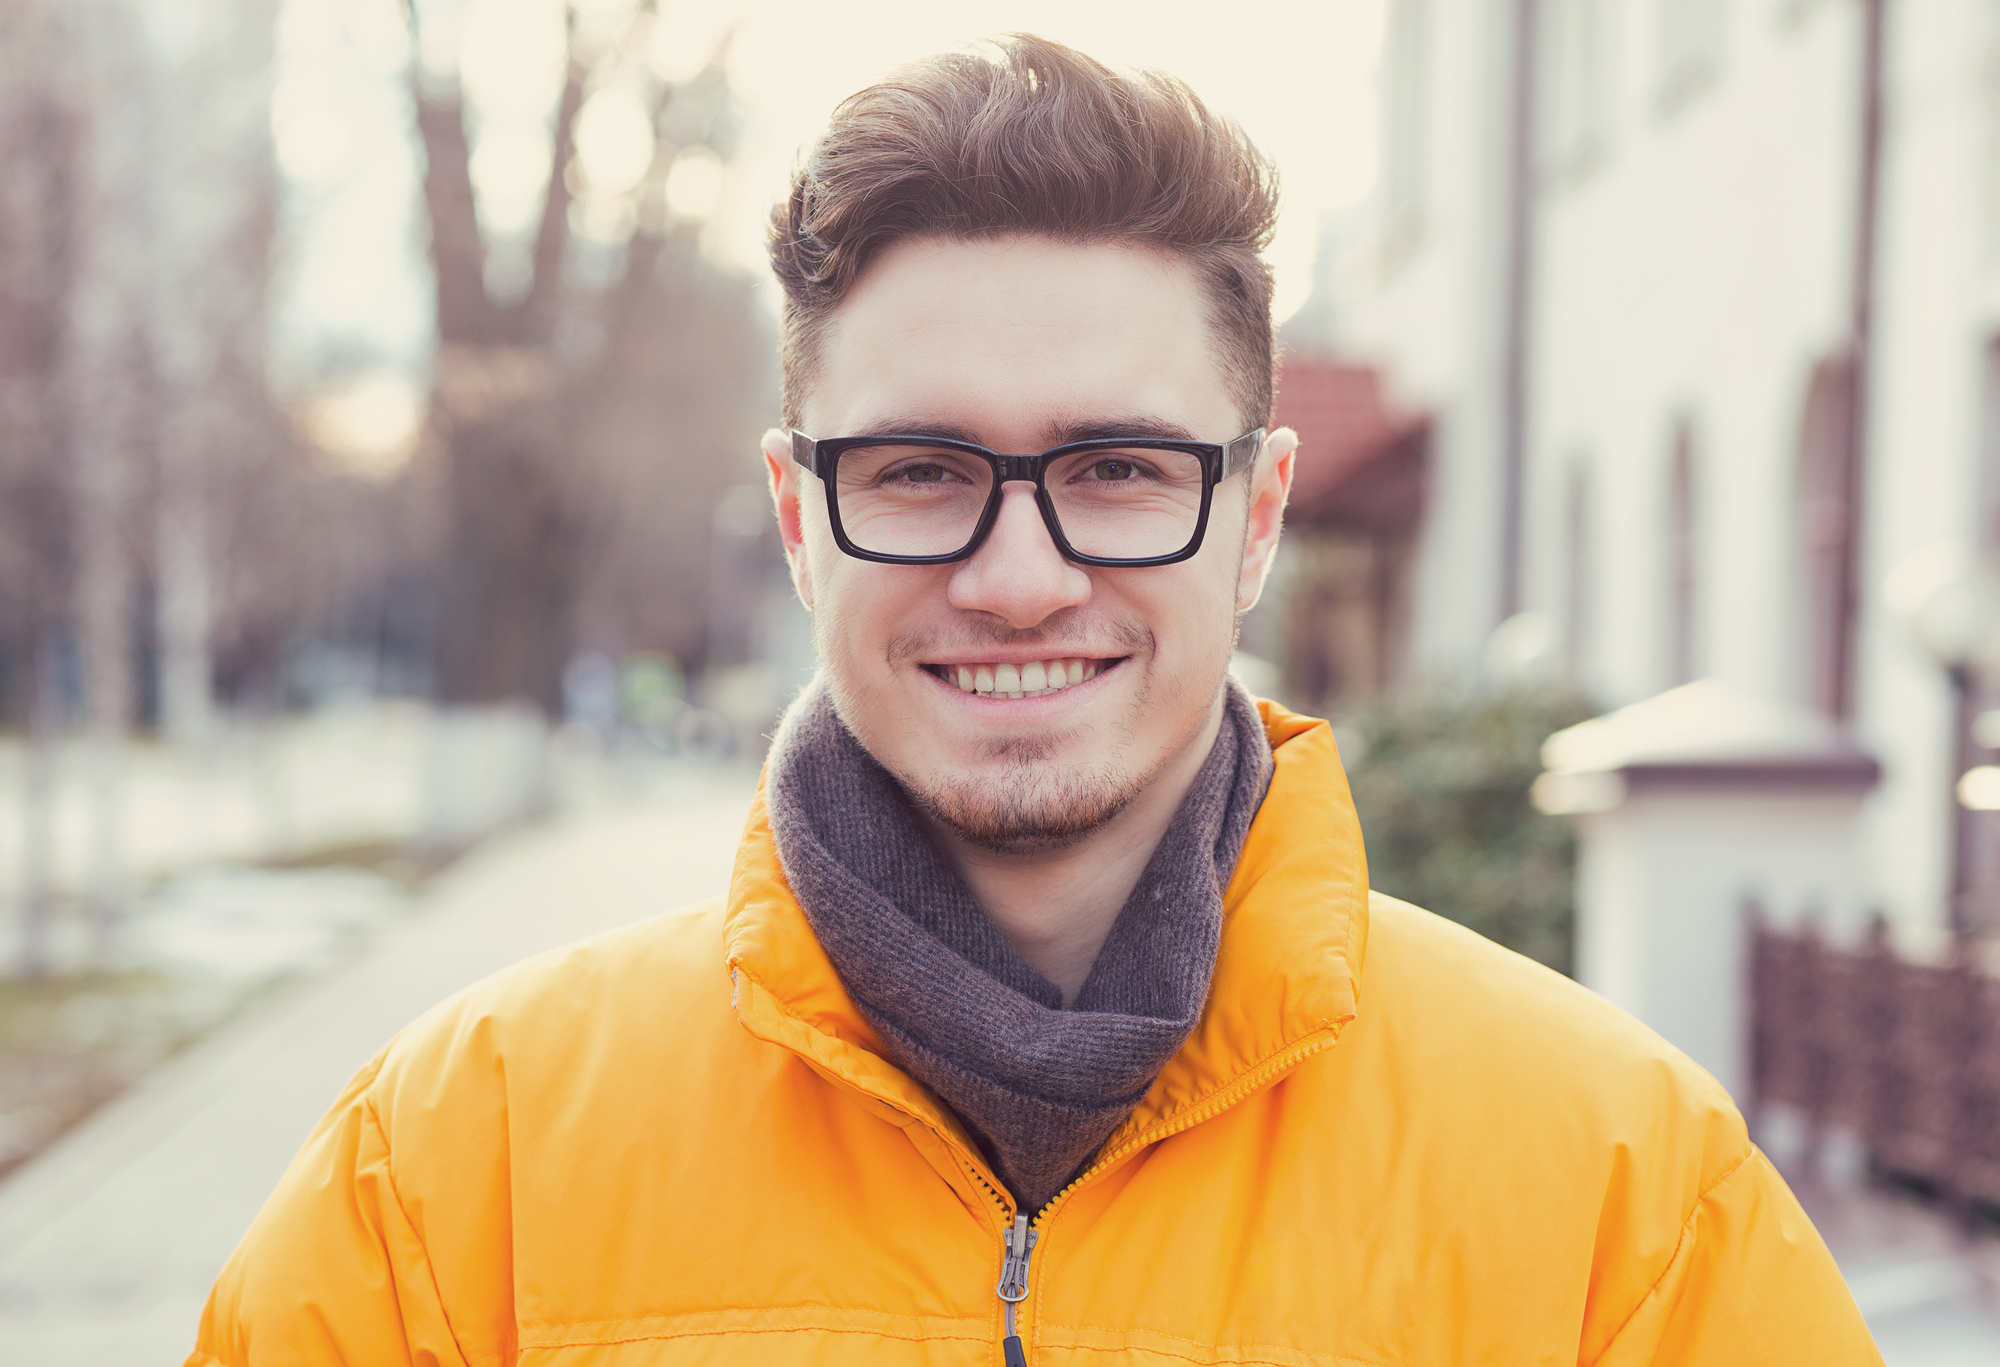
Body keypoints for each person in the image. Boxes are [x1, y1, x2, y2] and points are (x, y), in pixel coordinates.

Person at [189, 35, 1881, 1367]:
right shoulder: (450, 1176)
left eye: (1121, 468)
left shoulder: (1618, 1192)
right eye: (920, 471)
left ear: (1259, 515)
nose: (1017, 576)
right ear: (797, 517)